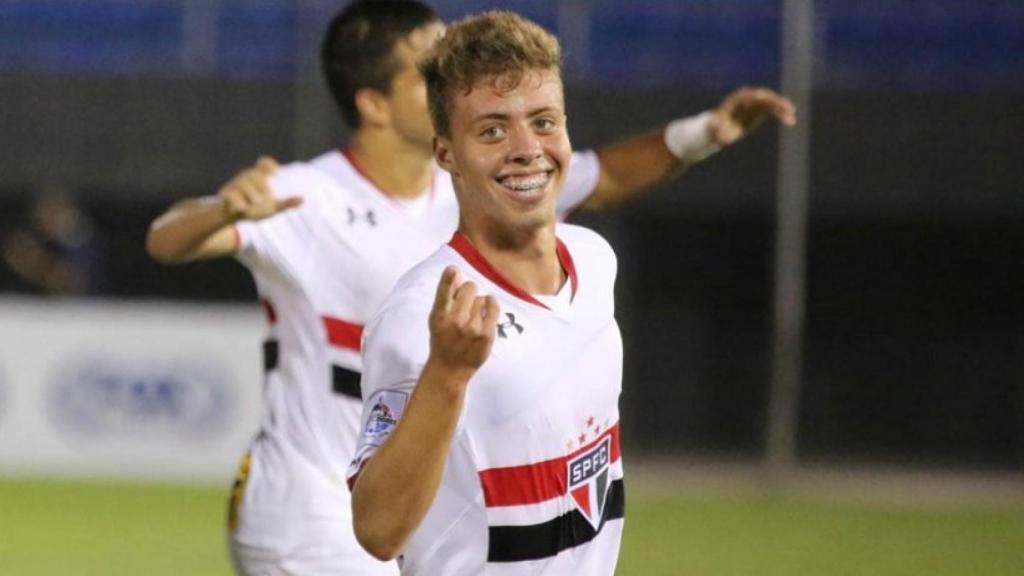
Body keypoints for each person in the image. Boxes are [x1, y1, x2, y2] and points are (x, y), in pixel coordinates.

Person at [145, 1, 794, 574]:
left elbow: (608, 175)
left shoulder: (506, 187)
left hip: (430, 494)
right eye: (425, 64)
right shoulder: (306, 197)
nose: (445, 68)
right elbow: (167, 239)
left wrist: (707, 132)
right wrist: (222, 211)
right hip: (310, 505)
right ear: (375, 104)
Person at [350, 11, 631, 573]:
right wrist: (447, 375)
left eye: (544, 122)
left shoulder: (596, 263)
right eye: (492, 130)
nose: (527, 148)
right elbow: (378, 531)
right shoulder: (422, 316)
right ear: (446, 153)